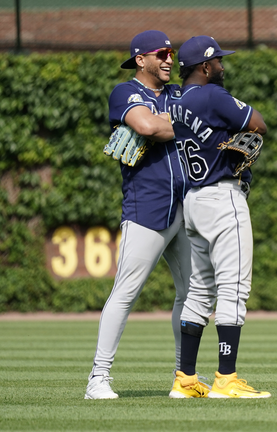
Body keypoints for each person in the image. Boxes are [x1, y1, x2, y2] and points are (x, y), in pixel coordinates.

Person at [84, 30, 193, 399]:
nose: (169, 59)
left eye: (171, 53)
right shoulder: (125, 92)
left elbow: (202, 128)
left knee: (192, 294)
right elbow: (146, 126)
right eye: (161, 53)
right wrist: (173, 125)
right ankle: (98, 378)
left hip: (187, 207)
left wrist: (167, 124)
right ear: (140, 59)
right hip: (146, 207)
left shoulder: (180, 93)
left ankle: (183, 377)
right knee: (126, 293)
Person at [166, 35, 270, 399]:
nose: (223, 66)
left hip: (193, 200)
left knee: (199, 290)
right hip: (223, 196)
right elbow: (258, 123)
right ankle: (226, 378)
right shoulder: (212, 94)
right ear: (205, 67)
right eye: (218, 61)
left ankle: (185, 379)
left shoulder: (176, 103)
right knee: (234, 287)